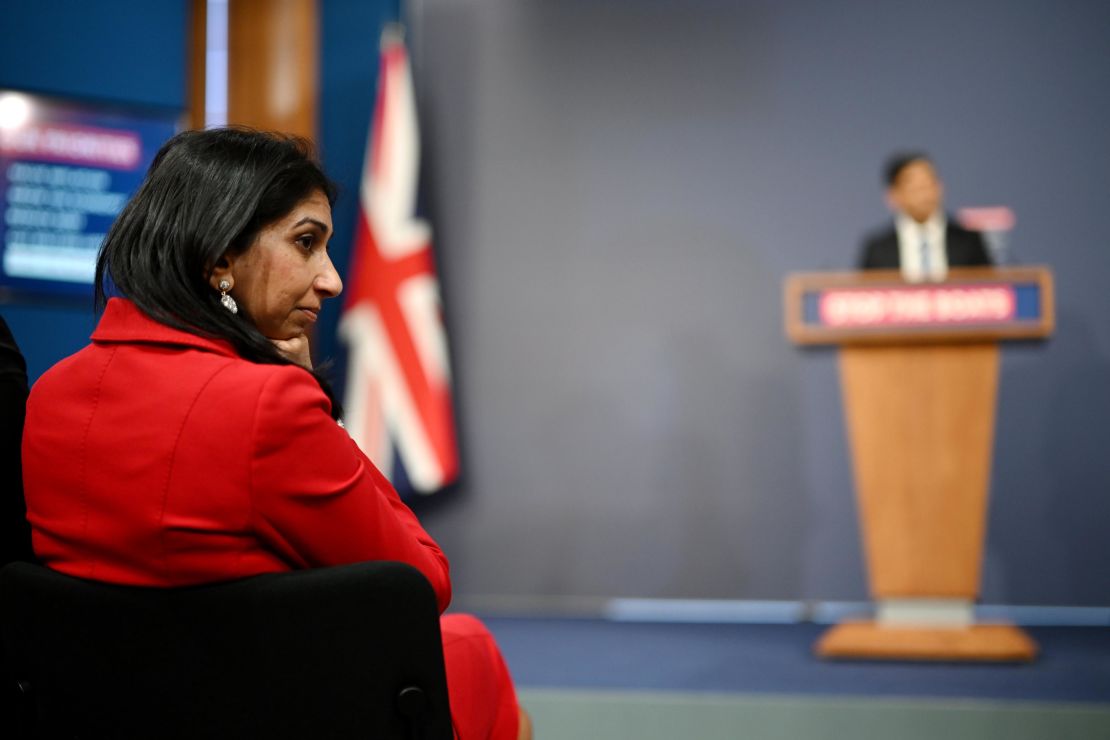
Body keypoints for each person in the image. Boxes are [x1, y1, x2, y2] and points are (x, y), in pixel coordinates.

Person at [21, 127, 531, 740]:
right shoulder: (268, 403)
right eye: (306, 243)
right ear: (219, 258)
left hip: (105, 713)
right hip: (257, 707)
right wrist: (312, 401)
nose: (333, 281)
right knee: (471, 648)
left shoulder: (50, 392)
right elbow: (424, 582)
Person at [858, 152, 991, 281]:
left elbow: (991, 290)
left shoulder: (969, 242)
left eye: (929, 183)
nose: (924, 193)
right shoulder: (878, 249)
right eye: (914, 186)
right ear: (894, 195)